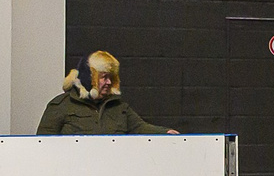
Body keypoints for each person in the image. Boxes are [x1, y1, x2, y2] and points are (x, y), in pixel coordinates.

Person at [38, 50, 174, 134]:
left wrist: (166, 132)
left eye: (111, 78)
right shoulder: (61, 106)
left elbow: (140, 127)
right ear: (89, 78)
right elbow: (43, 144)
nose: (109, 82)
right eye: (103, 77)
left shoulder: (120, 108)